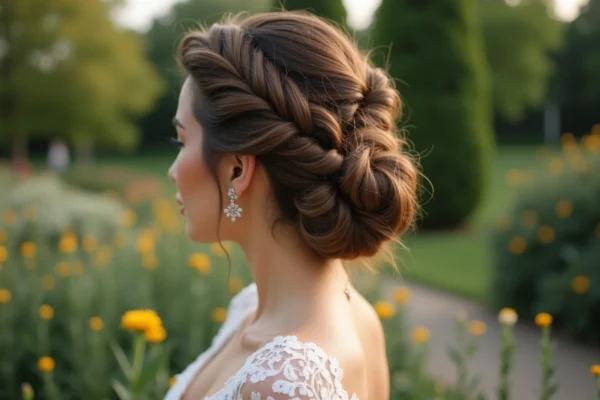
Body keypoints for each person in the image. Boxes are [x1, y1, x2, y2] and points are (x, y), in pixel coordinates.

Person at [165, 11, 419, 400]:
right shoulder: (262, 310)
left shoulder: (282, 385)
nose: (172, 171)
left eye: (182, 142)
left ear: (237, 170)